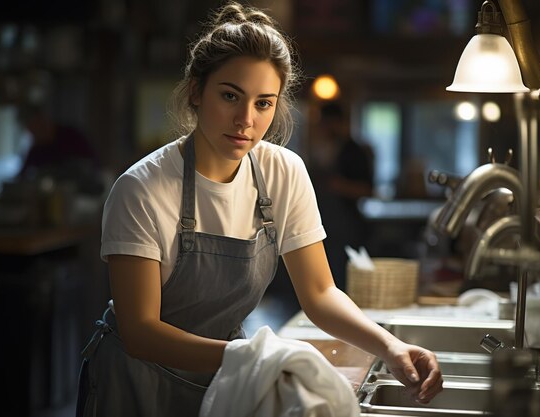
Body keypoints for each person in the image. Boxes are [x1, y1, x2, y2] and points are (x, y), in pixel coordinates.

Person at [76, 2, 443, 416]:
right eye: (230, 95)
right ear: (196, 91)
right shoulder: (141, 189)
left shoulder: (282, 172)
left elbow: (320, 294)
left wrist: (391, 346)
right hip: (133, 385)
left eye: (263, 103)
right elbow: (141, 332)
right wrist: (252, 360)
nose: (245, 119)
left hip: (225, 378)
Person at [312, 101, 375, 289]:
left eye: (327, 123)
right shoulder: (319, 149)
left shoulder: (354, 151)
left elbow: (367, 190)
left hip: (345, 225)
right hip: (321, 222)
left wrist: (338, 185)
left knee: (340, 279)